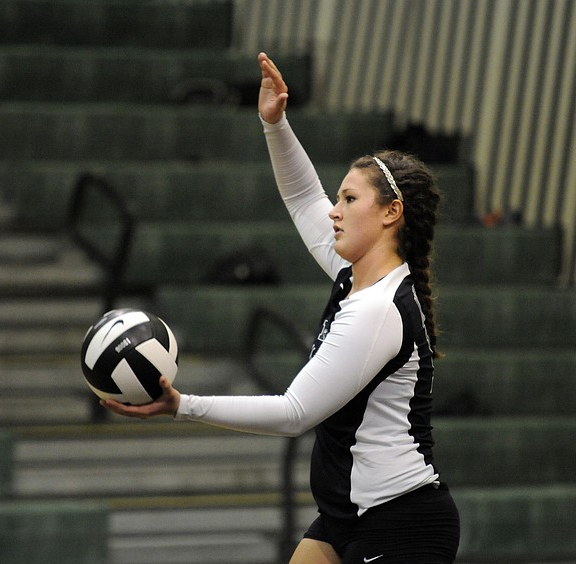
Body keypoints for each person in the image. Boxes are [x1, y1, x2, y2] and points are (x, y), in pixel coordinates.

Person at [102, 52, 460, 563]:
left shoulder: (378, 309)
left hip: (400, 524)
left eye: (349, 200)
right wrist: (276, 124)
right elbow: (300, 196)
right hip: (345, 515)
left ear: (391, 213)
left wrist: (184, 406)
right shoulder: (352, 277)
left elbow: (294, 413)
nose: (333, 211)